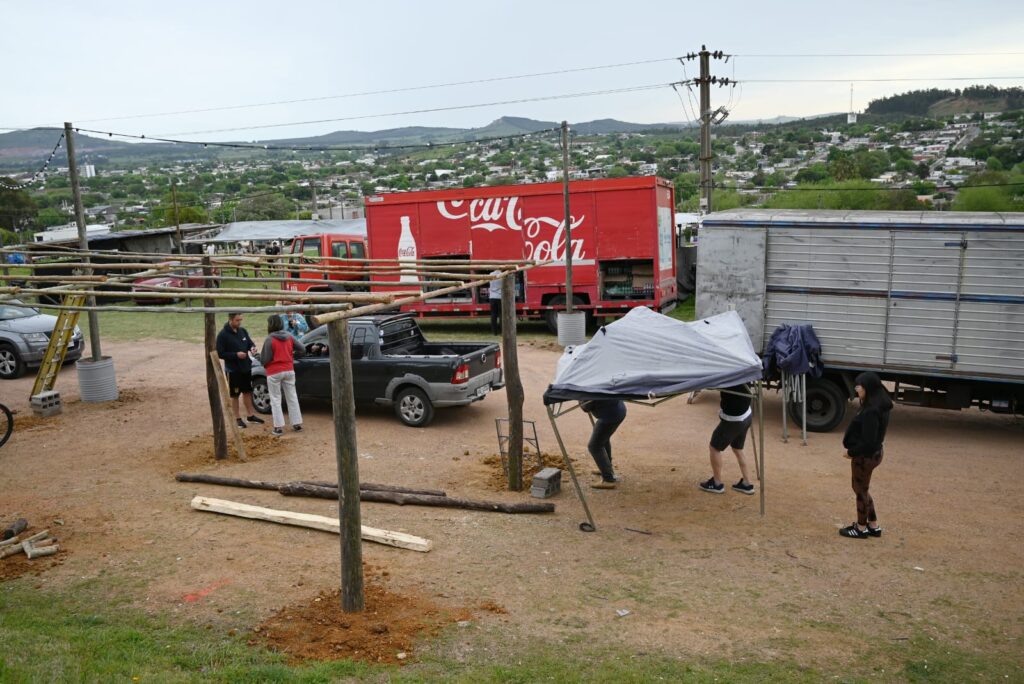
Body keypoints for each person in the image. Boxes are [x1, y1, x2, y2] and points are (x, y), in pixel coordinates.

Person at [839, 371, 893, 539]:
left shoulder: (871, 411)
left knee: (860, 490)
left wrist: (851, 452)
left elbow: (868, 441)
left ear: (868, 388)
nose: (856, 388)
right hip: (874, 454)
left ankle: (861, 528)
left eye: (859, 385)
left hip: (865, 457)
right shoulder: (879, 404)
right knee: (863, 489)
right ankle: (873, 525)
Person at [699, 384, 756, 495]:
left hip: (733, 419)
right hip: (746, 414)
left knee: (714, 447)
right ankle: (746, 484)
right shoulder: (745, 368)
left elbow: (710, 385)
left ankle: (717, 483)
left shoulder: (730, 371)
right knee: (737, 448)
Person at [215, 313, 265, 429]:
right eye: (237, 320)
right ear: (230, 319)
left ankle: (250, 416)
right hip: (233, 370)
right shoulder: (222, 335)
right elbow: (220, 353)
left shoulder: (243, 331)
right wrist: (236, 355)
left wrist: (252, 348)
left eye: (240, 320)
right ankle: (236, 418)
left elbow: (249, 343)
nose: (239, 322)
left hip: (246, 368)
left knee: (247, 392)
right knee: (235, 395)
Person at [260, 315, 304, 436]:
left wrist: (258, 356)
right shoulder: (289, 336)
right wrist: (291, 353)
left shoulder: (269, 339)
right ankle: (297, 424)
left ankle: (278, 428)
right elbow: (302, 348)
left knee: (275, 399)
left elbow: (265, 359)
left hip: (274, 372)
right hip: (289, 370)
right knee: (292, 397)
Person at [582, 399, 627, 489]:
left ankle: (608, 479)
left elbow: (586, 407)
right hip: (618, 409)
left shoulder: (589, 389)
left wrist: (580, 400)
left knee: (594, 446)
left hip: (610, 416)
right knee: (603, 439)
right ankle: (607, 469)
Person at [488, 269, 502, 335]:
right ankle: (503, 330)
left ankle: (494, 332)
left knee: (493, 315)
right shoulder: (502, 275)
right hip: (500, 297)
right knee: (501, 315)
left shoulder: (490, 274)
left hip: (492, 297)